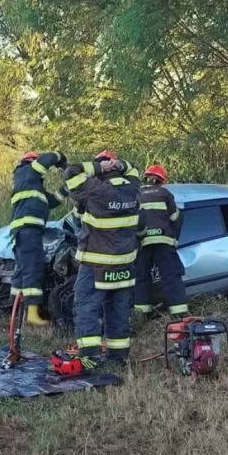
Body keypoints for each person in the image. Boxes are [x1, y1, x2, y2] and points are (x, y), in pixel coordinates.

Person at [64, 151, 140, 365]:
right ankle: (119, 357)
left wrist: (100, 168)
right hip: (125, 262)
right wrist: (119, 163)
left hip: (96, 262)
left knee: (86, 305)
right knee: (118, 308)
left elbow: (72, 173)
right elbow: (132, 169)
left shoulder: (97, 189)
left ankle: (90, 356)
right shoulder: (132, 187)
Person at [9, 150, 68, 326]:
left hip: (22, 231)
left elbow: (53, 201)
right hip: (28, 230)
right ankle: (32, 315)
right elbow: (47, 159)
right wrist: (61, 158)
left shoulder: (32, 185)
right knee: (33, 269)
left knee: (22, 272)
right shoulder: (26, 172)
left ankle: (16, 312)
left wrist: (69, 187)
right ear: (31, 162)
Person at [134, 164, 188, 319]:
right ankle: (179, 314)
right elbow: (176, 218)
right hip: (164, 241)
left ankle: (142, 315)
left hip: (143, 243)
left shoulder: (136, 195)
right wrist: (175, 238)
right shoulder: (165, 193)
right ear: (161, 180)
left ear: (145, 178)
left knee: (142, 278)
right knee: (171, 276)